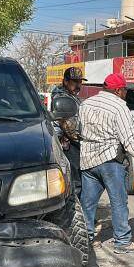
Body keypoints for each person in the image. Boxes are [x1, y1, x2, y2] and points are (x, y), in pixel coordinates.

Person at [79, 73, 134, 254]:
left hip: (88, 159)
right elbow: (129, 139)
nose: (125, 94)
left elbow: (79, 130)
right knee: (118, 202)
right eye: (124, 90)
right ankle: (122, 241)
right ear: (118, 90)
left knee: (87, 204)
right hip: (111, 161)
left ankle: (86, 239)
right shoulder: (120, 107)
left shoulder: (85, 104)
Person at [51, 67, 83, 196]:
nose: (78, 85)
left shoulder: (71, 96)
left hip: (73, 142)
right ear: (65, 81)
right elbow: (69, 127)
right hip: (68, 144)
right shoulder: (61, 97)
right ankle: (76, 212)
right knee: (76, 183)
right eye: (74, 82)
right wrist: (85, 140)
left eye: (80, 82)